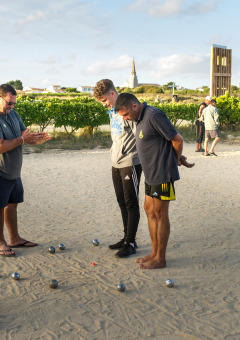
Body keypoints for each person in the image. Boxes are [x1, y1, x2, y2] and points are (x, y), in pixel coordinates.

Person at [115, 93, 195, 269]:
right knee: (149, 210)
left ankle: (160, 258)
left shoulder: (154, 115)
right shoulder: (139, 119)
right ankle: (154, 252)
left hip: (162, 174)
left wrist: (175, 159)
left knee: (160, 213)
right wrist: (177, 157)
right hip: (151, 174)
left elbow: (177, 139)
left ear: (134, 106)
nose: (126, 119)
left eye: (126, 114)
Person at [0, 84, 51, 257]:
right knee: (0, 206)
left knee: (12, 204)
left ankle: (14, 238)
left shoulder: (13, 114)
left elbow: (23, 136)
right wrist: (23, 138)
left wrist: (36, 139)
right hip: (1, 171)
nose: (11, 107)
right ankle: (0, 242)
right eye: (8, 103)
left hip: (14, 171)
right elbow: (0, 146)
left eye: (14, 103)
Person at [93, 80, 142, 258]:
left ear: (113, 94)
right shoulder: (112, 111)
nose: (104, 105)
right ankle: (126, 237)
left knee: (131, 202)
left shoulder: (126, 110)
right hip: (116, 162)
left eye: (105, 100)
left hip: (130, 161)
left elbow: (140, 135)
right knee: (122, 202)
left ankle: (131, 242)